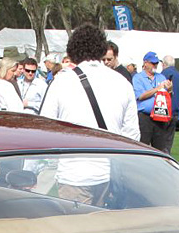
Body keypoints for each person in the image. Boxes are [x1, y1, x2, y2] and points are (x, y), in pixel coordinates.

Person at [39, 23, 139, 204]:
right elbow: (132, 135)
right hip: (110, 174)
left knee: (77, 231)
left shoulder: (62, 82)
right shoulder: (122, 83)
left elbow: (45, 129)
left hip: (74, 173)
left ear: (74, 49)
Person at [133, 51, 171, 152]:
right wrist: (157, 88)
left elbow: (168, 95)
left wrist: (170, 89)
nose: (155, 65)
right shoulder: (138, 78)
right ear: (145, 63)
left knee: (159, 148)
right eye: (153, 63)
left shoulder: (161, 77)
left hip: (160, 116)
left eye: (157, 63)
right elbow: (140, 96)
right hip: (145, 117)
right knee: (142, 146)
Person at [160, 55, 179, 155]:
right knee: (168, 142)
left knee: (159, 143)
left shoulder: (163, 75)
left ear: (163, 64)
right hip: (175, 112)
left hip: (163, 112)